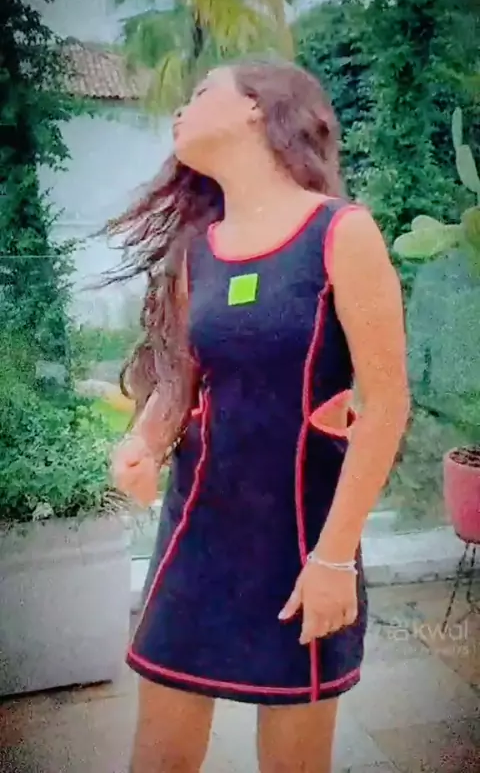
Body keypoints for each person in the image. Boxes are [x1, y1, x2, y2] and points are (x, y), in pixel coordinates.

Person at [109, 60, 410, 773]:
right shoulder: (199, 252)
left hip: (303, 543)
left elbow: (386, 403)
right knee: (158, 759)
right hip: (195, 535)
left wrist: (334, 559)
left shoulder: (342, 232)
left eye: (199, 93)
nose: (180, 111)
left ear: (256, 108)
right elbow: (185, 375)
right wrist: (143, 441)